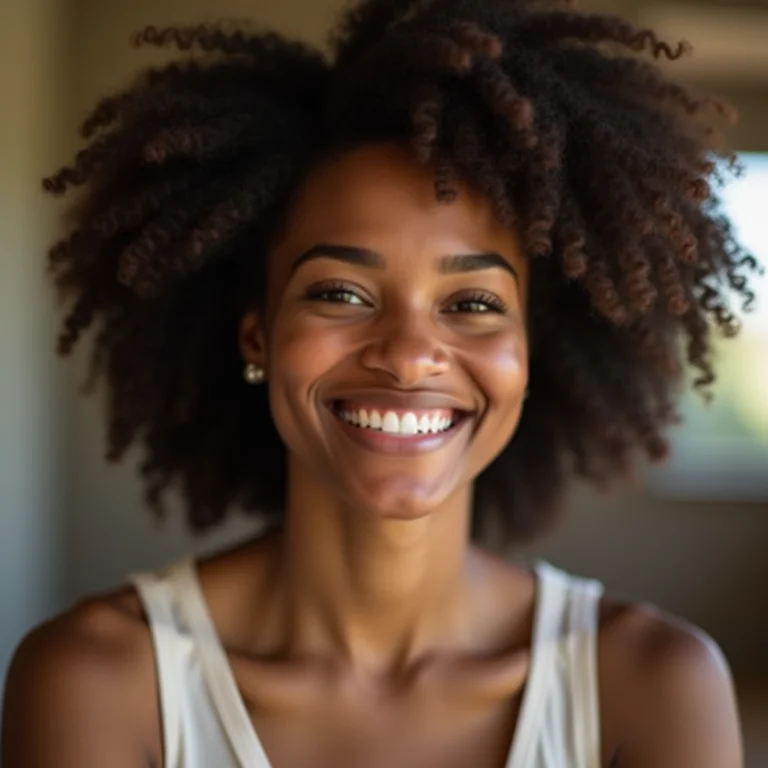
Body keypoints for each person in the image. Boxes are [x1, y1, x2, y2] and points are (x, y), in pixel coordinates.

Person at [2, 0, 759, 765]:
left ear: (528, 357)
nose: (407, 355)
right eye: (340, 293)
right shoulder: (99, 681)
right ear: (258, 336)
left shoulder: (653, 685)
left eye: (473, 304)